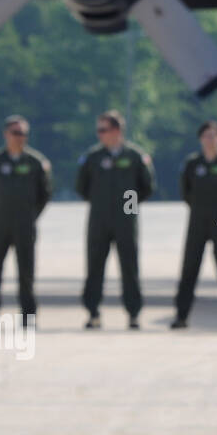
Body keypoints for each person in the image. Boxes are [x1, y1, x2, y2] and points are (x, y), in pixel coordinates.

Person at [76, 110, 155, 329]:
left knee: (129, 267)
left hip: (126, 219)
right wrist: (101, 203)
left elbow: (146, 186)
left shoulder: (135, 156)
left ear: (117, 130)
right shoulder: (93, 157)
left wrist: (130, 205)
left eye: (103, 129)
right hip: (99, 220)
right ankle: (92, 313)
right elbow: (82, 187)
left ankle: (133, 314)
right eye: (98, 130)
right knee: (94, 267)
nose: (99, 134)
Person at [0, 114, 52, 326]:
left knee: (26, 272)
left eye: (24, 134)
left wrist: (29, 215)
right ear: (6, 134)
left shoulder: (36, 163)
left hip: (25, 226)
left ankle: (28, 316)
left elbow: (44, 194)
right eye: (16, 133)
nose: (20, 138)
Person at [172, 120, 217, 330]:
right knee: (189, 270)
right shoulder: (193, 164)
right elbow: (186, 192)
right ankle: (181, 316)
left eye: (213, 135)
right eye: (206, 136)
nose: (210, 140)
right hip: (197, 223)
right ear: (200, 139)